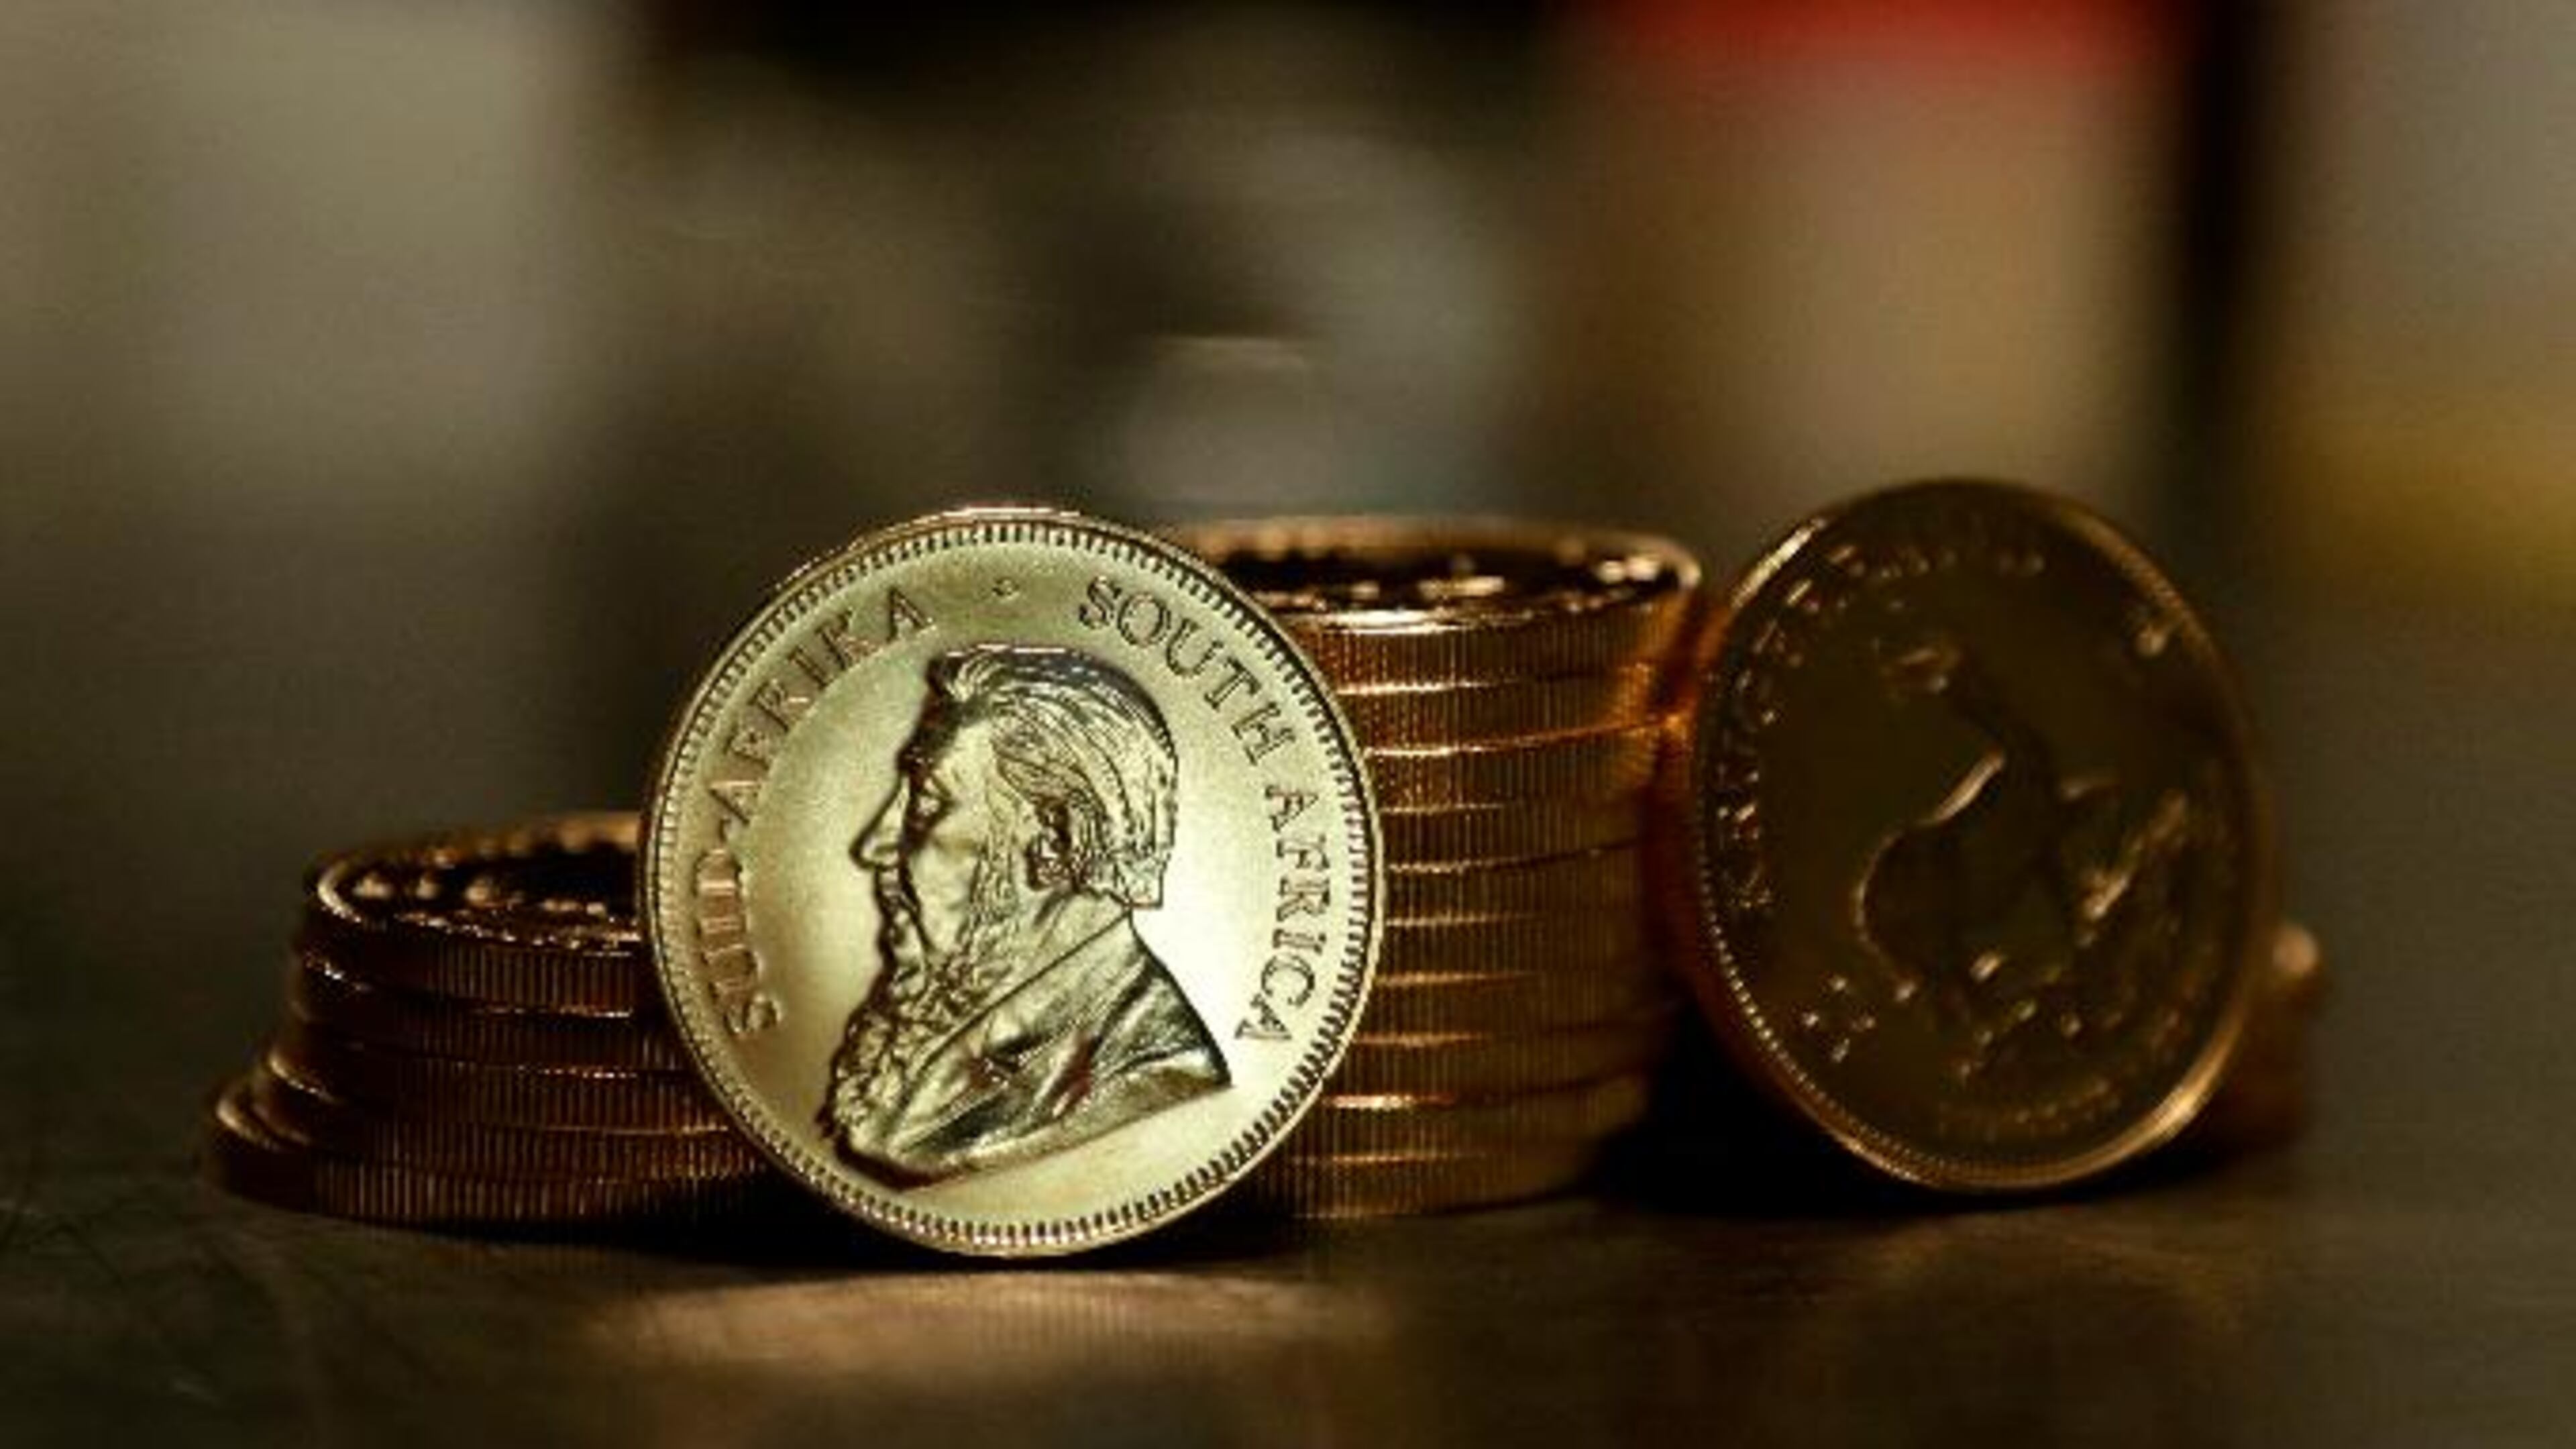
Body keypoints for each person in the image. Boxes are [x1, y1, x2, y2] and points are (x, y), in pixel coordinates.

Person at [821, 643, 1228, 1185]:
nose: (874, 845)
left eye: (925, 805)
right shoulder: (942, 1025)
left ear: (1057, 840)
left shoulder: (1152, 1070)